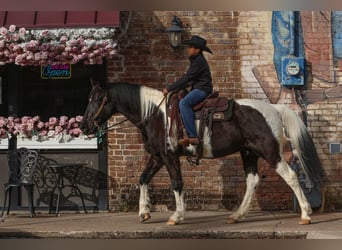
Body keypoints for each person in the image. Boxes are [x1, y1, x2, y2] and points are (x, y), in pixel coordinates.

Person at [163, 35, 213, 147]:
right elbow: (189, 79)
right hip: (199, 87)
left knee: (184, 103)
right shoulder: (196, 61)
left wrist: (169, 88)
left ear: (197, 49)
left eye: (191, 47)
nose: (188, 49)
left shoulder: (198, 61)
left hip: (202, 89)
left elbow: (187, 78)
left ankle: (193, 136)